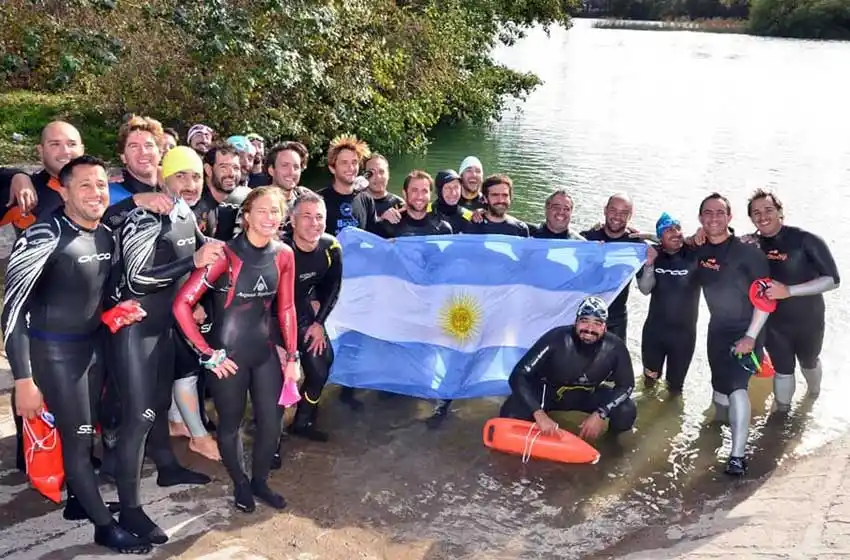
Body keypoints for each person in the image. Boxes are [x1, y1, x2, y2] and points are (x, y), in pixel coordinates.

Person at [1, 155, 152, 554]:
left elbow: (92, 298)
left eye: (101, 184)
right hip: (53, 353)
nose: (95, 193)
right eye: (84, 185)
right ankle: (104, 526)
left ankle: (81, 501)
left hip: (92, 348)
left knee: (89, 435)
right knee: (79, 439)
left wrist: (114, 312)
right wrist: (23, 380)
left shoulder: (104, 234)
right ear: (63, 191)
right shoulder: (42, 237)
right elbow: (12, 312)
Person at [108, 147, 222, 543]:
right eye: (180, 177)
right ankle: (129, 510)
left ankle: (168, 467)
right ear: (163, 178)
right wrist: (193, 261)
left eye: (195, 176)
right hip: (134, 330)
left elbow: (205, 243)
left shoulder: (184, 213)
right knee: (137, 418)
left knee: (155, 406)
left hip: (163, 328)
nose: (190, 184)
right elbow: (138, 279)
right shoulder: (144, 216)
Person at [173, 187, 299, 513]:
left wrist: (293, 356)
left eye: (276, 211)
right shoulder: (224, 256)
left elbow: (286, 309)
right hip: (227, 356)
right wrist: (206, 353)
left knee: (272, 422)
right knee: (231, 425)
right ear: (246, 216)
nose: (270, 217)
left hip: (264, 351)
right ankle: (240, 484)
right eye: (262, 210)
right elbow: (182, 304)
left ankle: (259, 481)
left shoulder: (284, 253)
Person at [691, 193, 772, 476]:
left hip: (748, 329)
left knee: (738, 386)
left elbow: (766, 299)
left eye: (720, 213)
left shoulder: (747, 251)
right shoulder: (698, 248)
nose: (714, 218)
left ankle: (737, 456)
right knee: (719, 390)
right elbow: (670, 241)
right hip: (717, 330)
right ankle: (717, 430)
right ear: (701, 218)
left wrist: (750, 336)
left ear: (729, 217)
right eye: (708, 213)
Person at [746, 189, 839, 410]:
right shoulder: (750, 245)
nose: (763, 216)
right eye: (756, 212)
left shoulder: (806, 240)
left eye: (768, 210)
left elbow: (833, 280)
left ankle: (813, 396)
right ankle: (782, 415)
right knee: (782, 368)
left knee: (809, 363)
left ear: (780, 212)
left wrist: (789, 290)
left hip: (809, 320)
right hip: (775, 323)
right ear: (751, 218)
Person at [499, 297, 636, 440]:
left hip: (587, 396)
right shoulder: (557, 338)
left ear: (605, 327)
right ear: (575, 322)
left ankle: (609, 447)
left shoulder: (615, 347)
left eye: (597, 323)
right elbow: (518, 375)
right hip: (548, 395)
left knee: (626, 411)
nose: (589, 329)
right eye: (584, 321)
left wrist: (601, 414)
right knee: (511, 413)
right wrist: (539, 414)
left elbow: (627, 385)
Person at [282, 192, 343, 442]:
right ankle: (271, 441)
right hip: (270, 318)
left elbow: (333, 288)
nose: (314, 223)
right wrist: (282, 348)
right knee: (278, 378)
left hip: (303, 313)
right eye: (306, 217)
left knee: (321, 366)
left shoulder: (331, 247)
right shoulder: (279, 248)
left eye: (319, 217)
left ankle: (303, 420)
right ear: (292, 221)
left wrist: (319, 323)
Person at [636, 213, 700, 393]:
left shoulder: (694, 255)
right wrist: (649, 264)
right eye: (669, 230)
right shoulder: (652, 254)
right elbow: (644, 289)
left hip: (684, 337)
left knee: (675, 388)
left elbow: (719, 241)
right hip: (654, 334)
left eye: (678, 228)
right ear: (660, 235)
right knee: (649, 384)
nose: (676, 233)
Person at [580, 193, 646, 342]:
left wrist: (649, 262)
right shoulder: (586, 239)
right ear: (605, 210)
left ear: (630, 216)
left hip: (616, 319)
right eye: (613, 210)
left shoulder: (637, 245)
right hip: (585, 316)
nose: (617, 216)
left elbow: (645, 289)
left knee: (614, 363)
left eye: (624, 213)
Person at [377, 170, 452, 238]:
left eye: (424, 191)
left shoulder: (442, 229)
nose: (419, 196)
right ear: (405, 193)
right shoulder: (389, 226)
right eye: (414, 190)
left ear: (430, 194)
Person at [463, 174, 530, 237]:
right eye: (495, 195)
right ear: (485, 198)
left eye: (505, 195)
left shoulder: (520, 229)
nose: (500, 200)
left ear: (510, 198)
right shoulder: (470, 226)